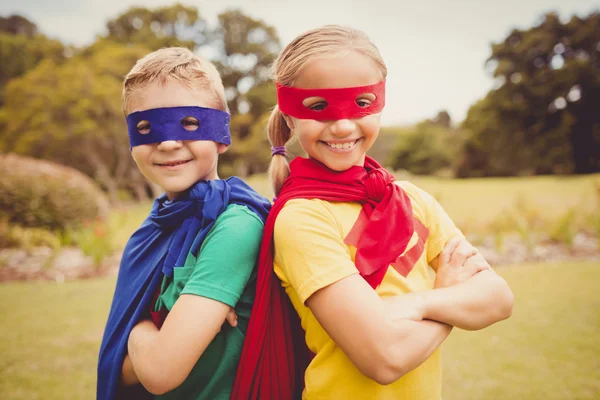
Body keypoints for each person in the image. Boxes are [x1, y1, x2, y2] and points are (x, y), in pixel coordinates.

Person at [232, 25, 514, 400]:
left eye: (361, 103)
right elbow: (384, 357)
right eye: (318, 107)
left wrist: (421, 302)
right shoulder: (303, 217)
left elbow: (497, 298)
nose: (344, 124)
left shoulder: (412, 199)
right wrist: (448, 296)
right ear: (290, 115)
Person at [97, 47, 270, 400]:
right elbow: (124, 369)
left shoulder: (235, 226)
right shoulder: (153, 227)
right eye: (146, 127)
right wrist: (152, 339)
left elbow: (159, 371)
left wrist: (138, 327)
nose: (169, 142)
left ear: (221, 133)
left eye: (189, 123)